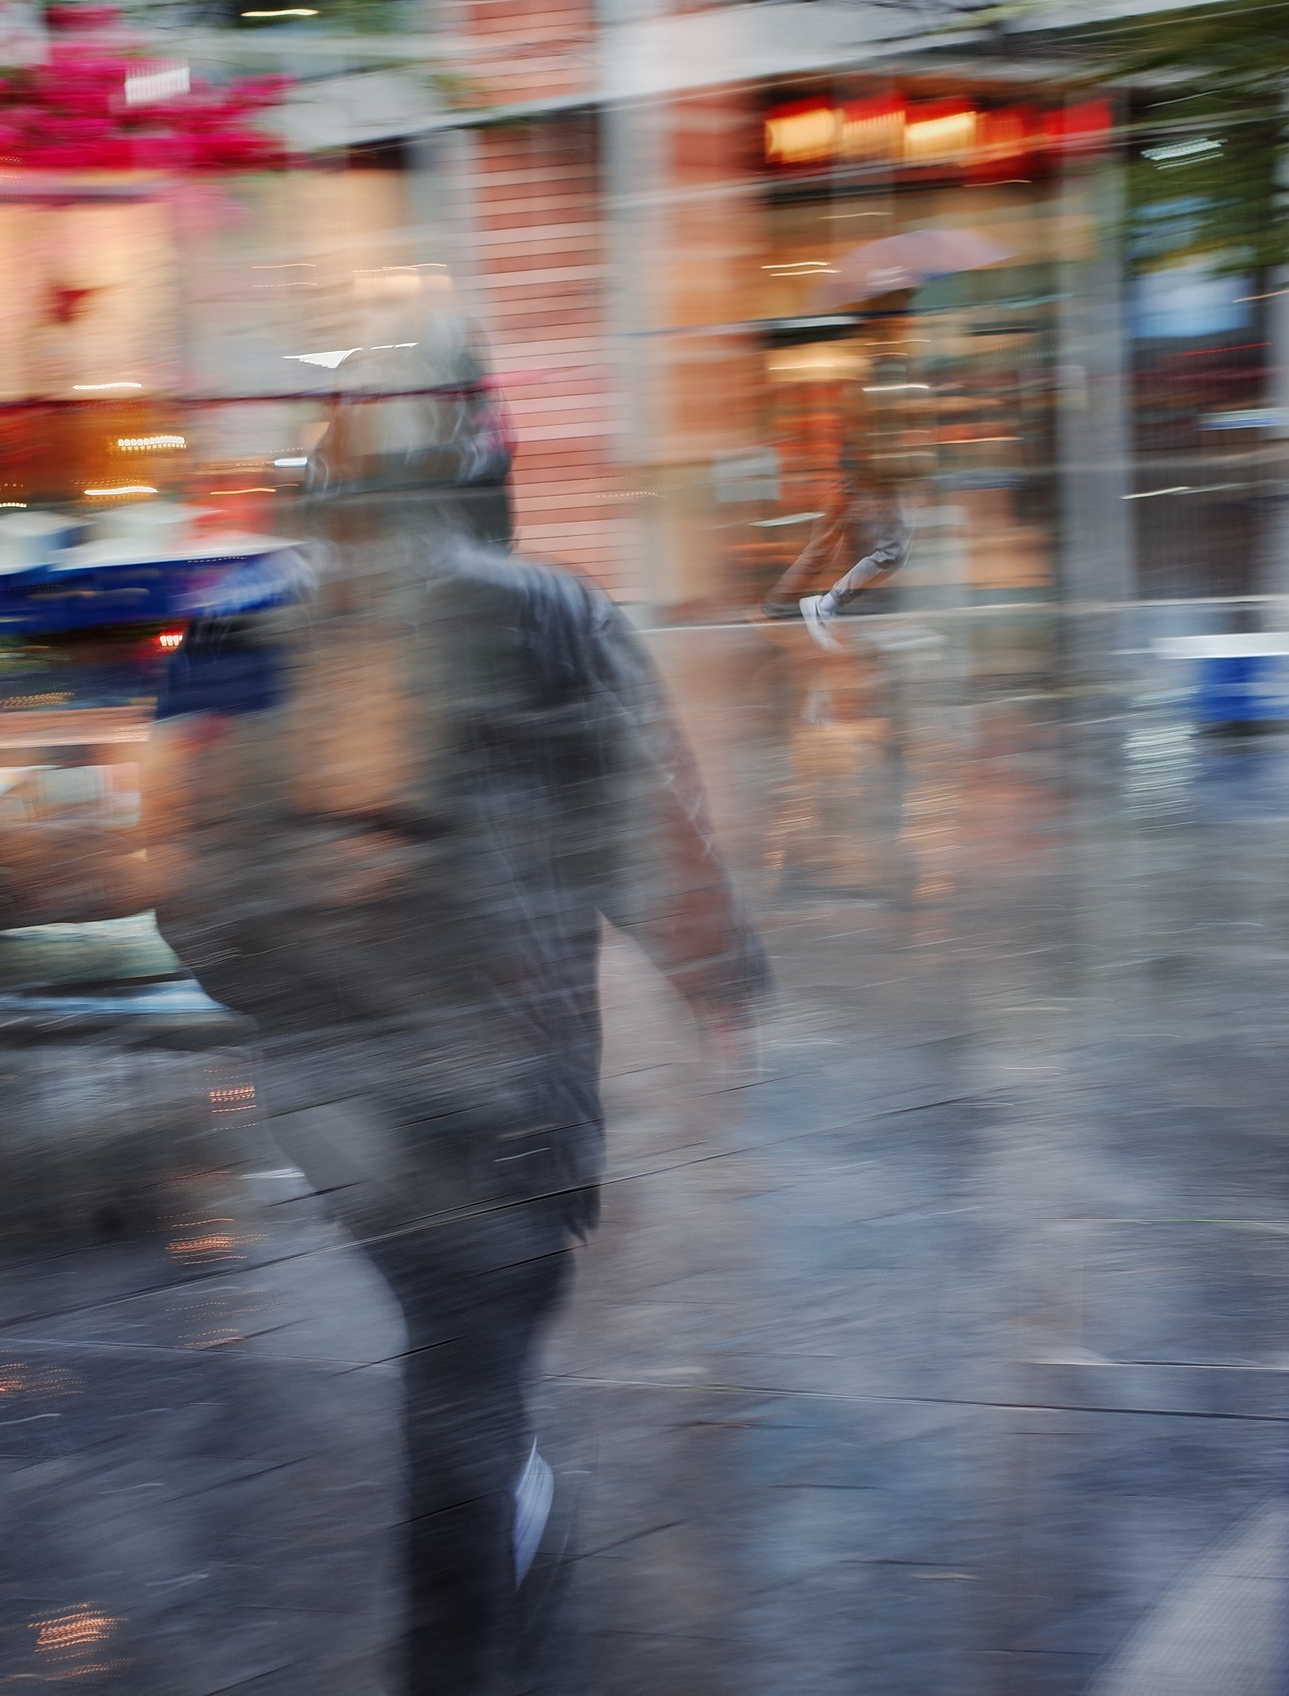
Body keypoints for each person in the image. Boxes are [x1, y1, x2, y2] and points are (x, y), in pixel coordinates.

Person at [143, 303, 767, 1696]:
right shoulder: (555, 612)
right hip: (508, 1079)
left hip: (329, 1083)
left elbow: (174, 860)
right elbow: (652, 826)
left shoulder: (237, 619)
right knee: (470, 1369)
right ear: (488, 457)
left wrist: (278, 981)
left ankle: (506, 1529)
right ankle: (459, 1645)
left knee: (458, 1341)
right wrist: (721, 973)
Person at [759, 315, 932, 651]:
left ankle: (803, 606)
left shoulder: (883, 376)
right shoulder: (877, 379)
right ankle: (820, 606)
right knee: (888, 551)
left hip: (873, 477)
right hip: (875, 479)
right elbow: (867, 436)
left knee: (880, 549)